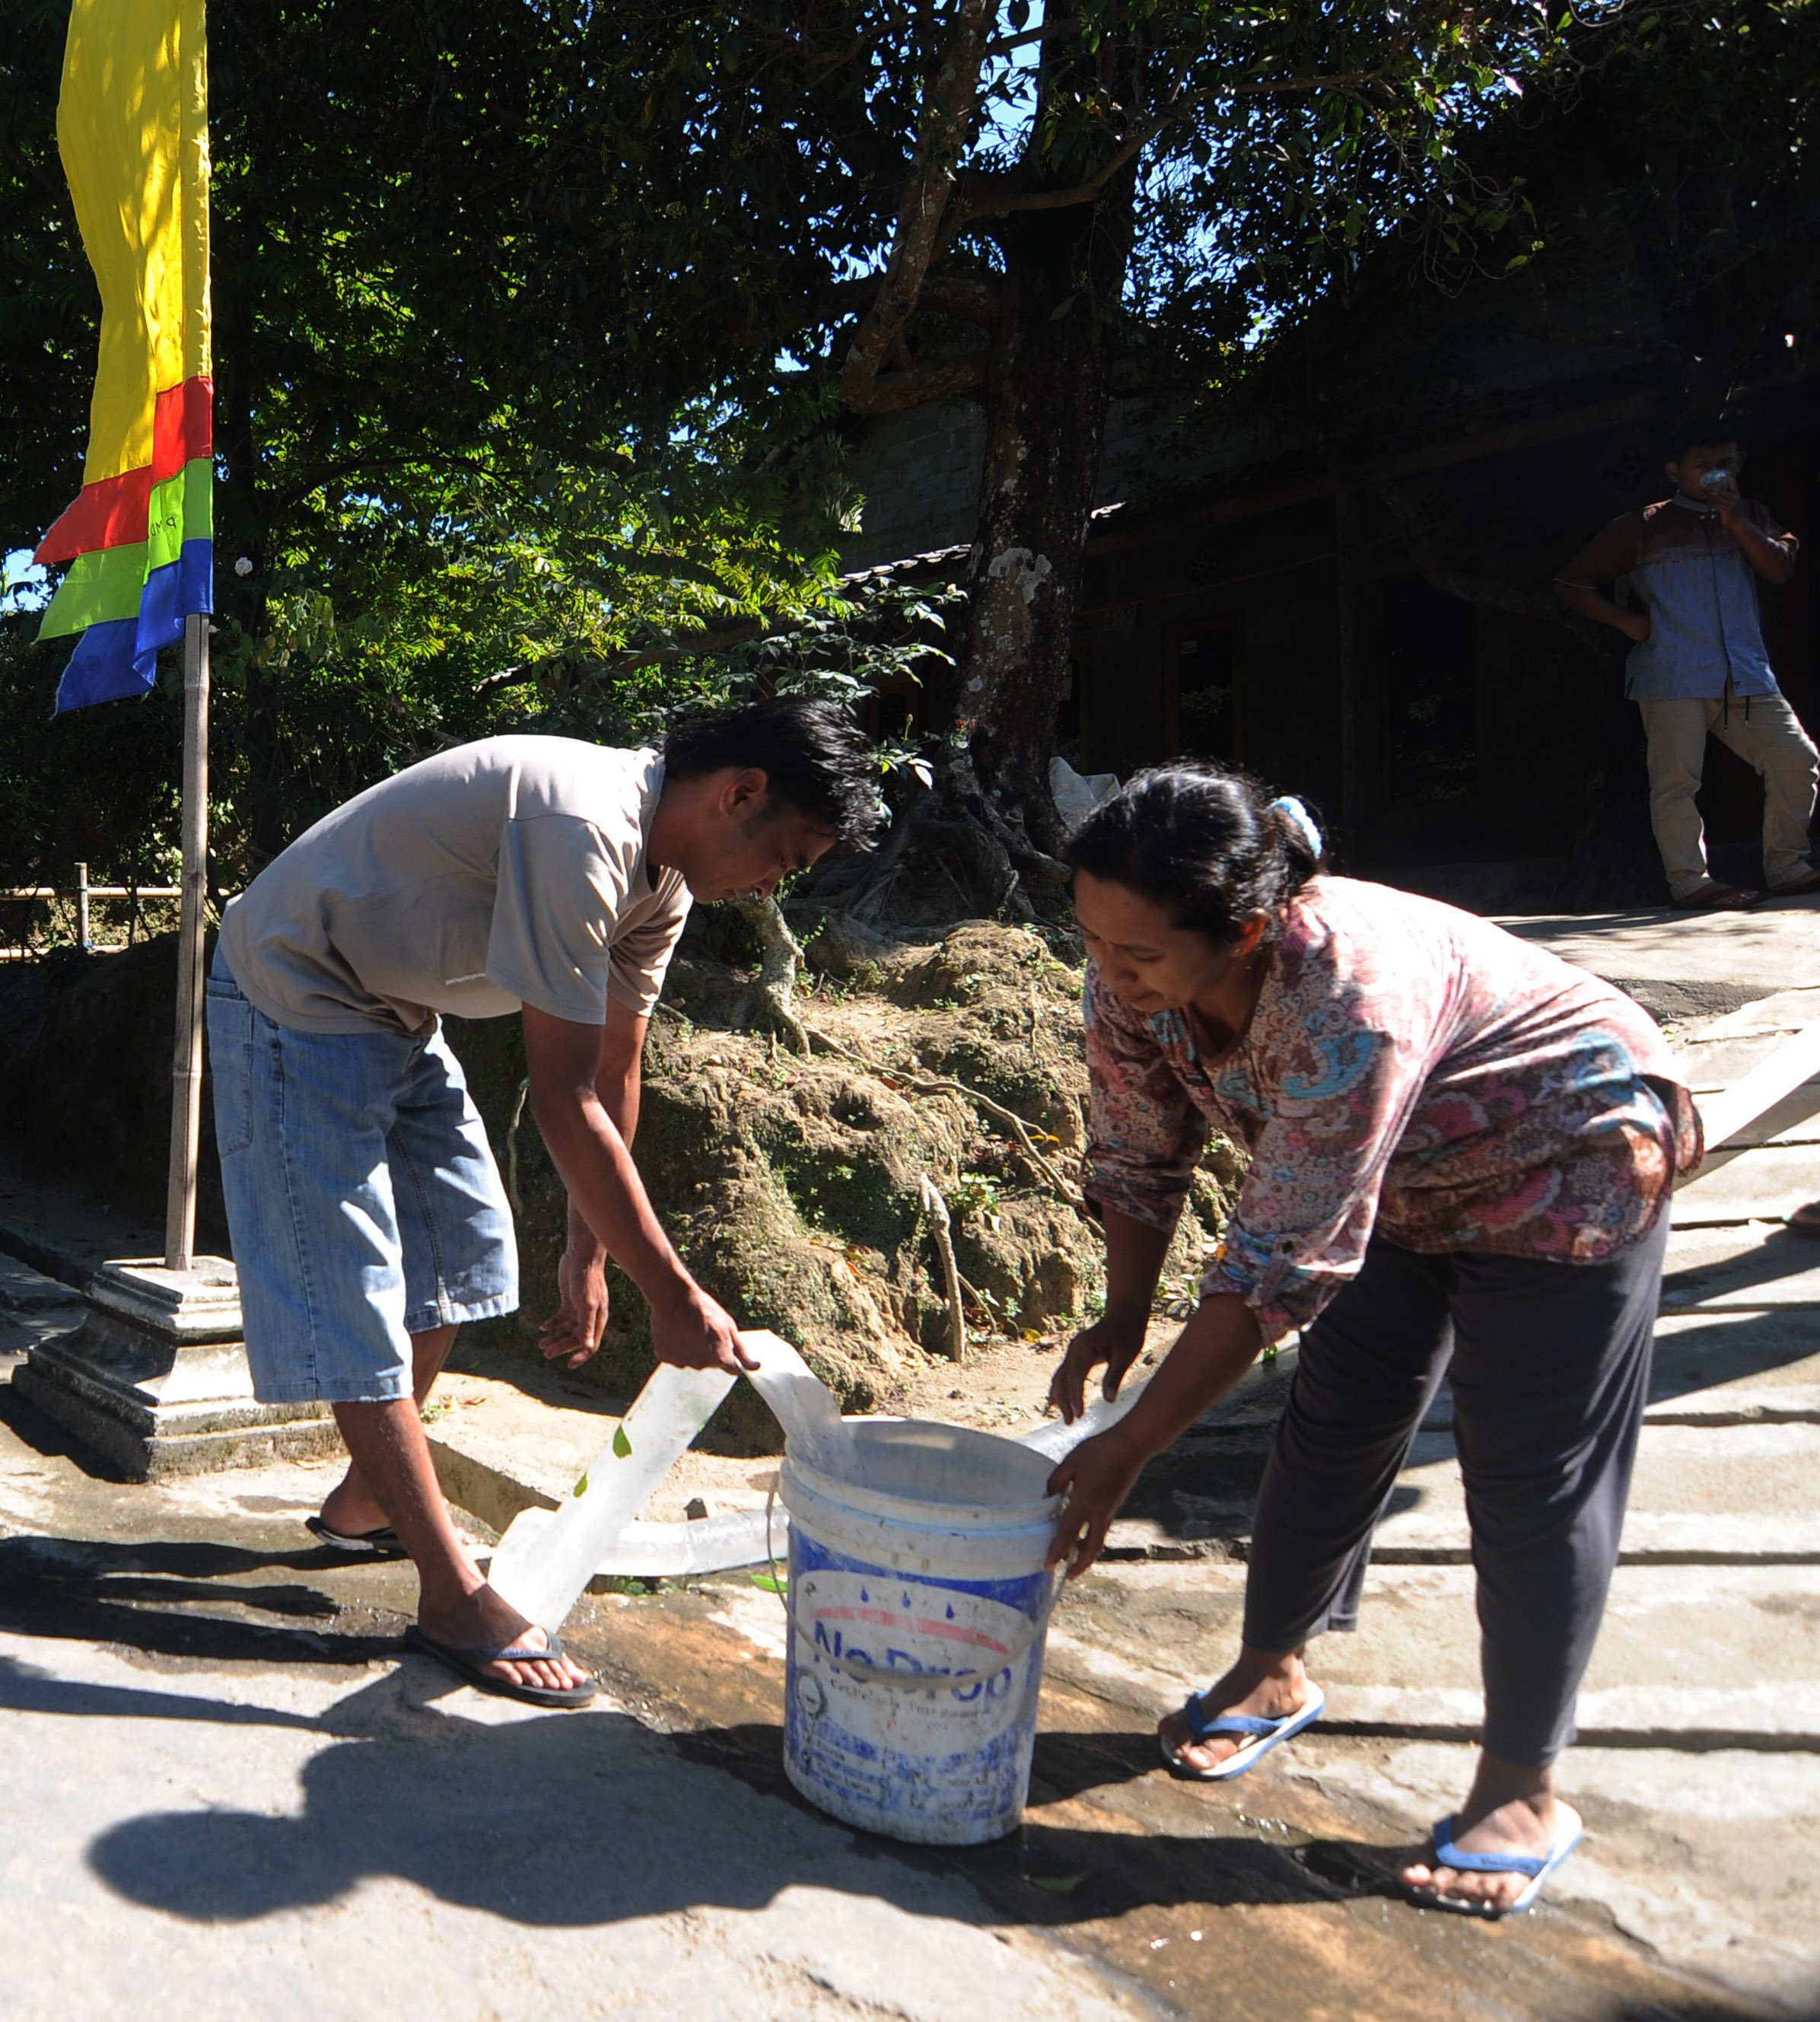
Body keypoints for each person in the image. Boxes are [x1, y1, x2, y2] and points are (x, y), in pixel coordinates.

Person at [1040, 767, 1700, 1916]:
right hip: (1394, 1176)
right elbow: (1140, 1148)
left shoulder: (1345, 997)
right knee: (1337, 1415)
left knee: (1531, 1477)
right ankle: (1270, 1666)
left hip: (1568, 1150)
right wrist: (1124, 1314)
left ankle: (1522, 1788)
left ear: (1246, 930)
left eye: (1136, 950)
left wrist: (1132, 1443)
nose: (1110, 971)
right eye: (1093, 939)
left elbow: (1273, 1269)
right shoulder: (1135, 979)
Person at [207, 698, 881, 1706]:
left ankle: (365, 1500)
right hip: (295, 989)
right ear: (738, 792)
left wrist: (592, 1247)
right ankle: (450, 1595)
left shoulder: (663, 885)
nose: (773, 885)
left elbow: (614, 1073)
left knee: (464, 1258)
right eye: (784, 857)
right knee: (353, 1296)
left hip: (393, 1011)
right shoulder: (584, 826)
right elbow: (562, 1095)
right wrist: (675, 1293)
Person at [1554, 421, 1810, 910]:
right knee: (1676, 781)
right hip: (1672, 672)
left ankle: (1788, 866)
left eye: (1726, 464)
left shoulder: (1753, 515)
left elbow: (1779, 570)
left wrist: (1738, 522)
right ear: (1675, 472)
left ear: (1740, 465)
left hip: (1747, 673)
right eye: (1704, 467)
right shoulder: (1643, 524)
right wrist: (1625, 622)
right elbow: (1571, 583)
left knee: (1796, 760)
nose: (1717, 474)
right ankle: (1690, 881)